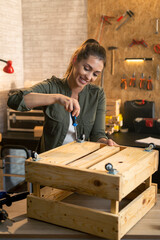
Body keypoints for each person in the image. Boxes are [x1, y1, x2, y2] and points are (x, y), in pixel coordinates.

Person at [7, 39, 117, 153]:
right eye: (86, 69)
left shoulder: (97, 94)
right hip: (50, 162)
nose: (89, 77)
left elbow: (97, 134)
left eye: (95, 74)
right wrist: (56, 98)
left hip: (80, 161)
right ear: (75, 60)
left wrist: (105, 142)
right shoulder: (52, 86)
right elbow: (14, 100)